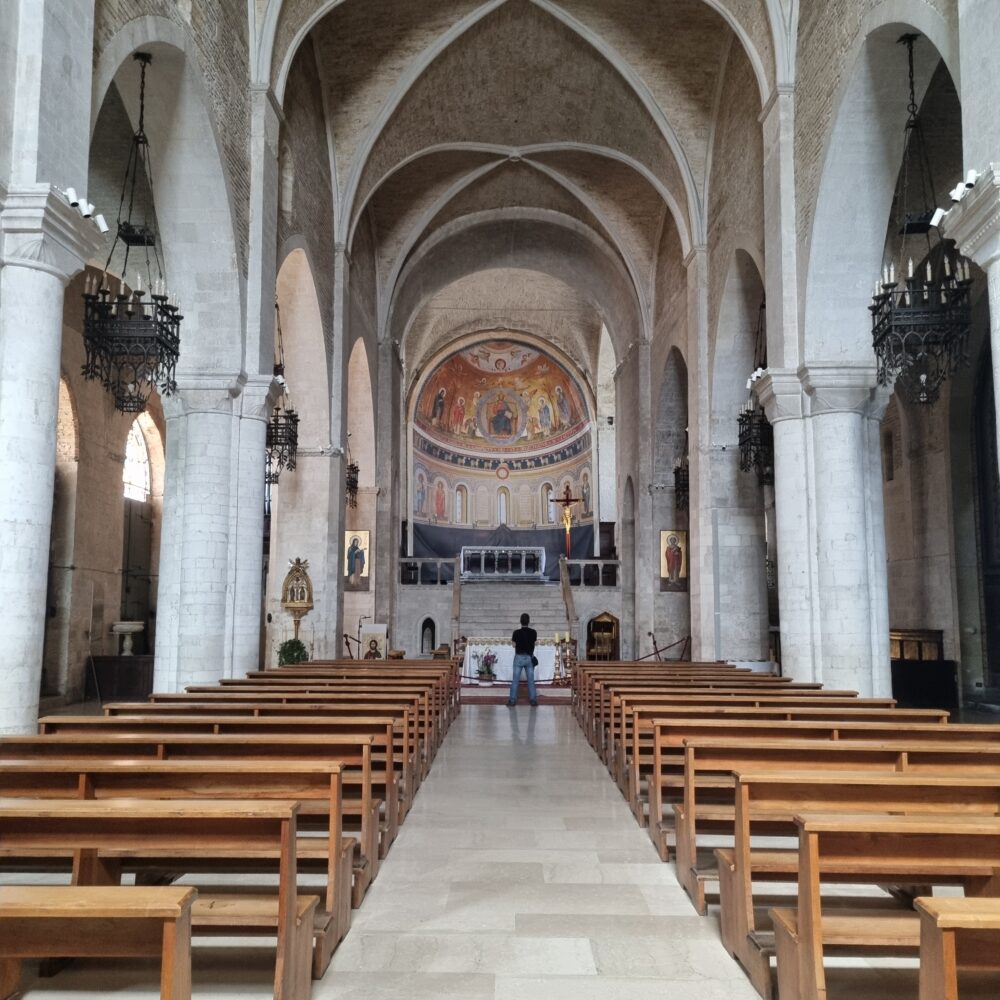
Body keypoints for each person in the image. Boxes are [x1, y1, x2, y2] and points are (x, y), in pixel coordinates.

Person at [507, 611, 538, 707]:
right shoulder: (533, 632)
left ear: (520, 622)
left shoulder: (516, 632)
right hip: (529, 657)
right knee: (531, 680)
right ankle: (533, 700)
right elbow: (534, 643)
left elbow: (513, 645)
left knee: (515, 680)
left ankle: (512, 700)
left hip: (519, 657)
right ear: (528, 621)